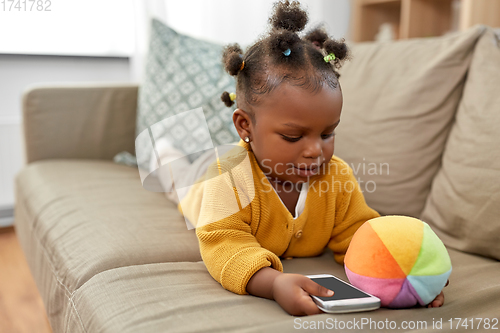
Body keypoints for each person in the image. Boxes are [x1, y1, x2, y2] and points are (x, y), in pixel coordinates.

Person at [155, 0, 446, 315]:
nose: (315, 151)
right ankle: (166, 153)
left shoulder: (336, 177)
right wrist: (272, 282)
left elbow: (361, 233)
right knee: (178, 179)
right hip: (199, 190)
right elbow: (224, 243)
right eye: (293, 137)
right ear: (244, 125)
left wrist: (410, 273)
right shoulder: (226, 178)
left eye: (327, 134)